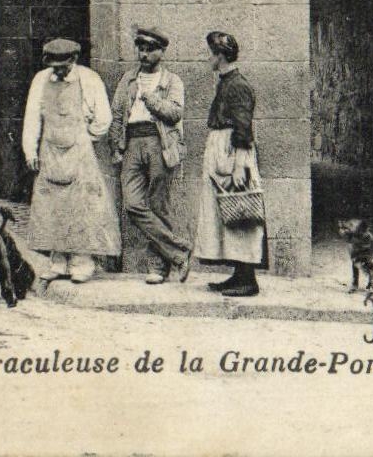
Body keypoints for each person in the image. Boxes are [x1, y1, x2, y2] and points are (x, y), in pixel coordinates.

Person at [21, 37, 121, 282]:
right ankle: (58, 261)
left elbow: (104, 117)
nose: (58, 71)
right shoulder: (41, 80)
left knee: (82, 207)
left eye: (63, 66)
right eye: (54, 67)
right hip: (50, 153)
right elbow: (32, 116)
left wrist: (86, 138)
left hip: (79, 154)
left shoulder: (89, 79)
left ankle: (82, 262)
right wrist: (30, 151)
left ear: (74, 59)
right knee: (52, 208)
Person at [110, 26, 191, 285]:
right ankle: (179, 251)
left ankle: (158, 267)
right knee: (132, 204)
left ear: (161, 52)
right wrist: (117, 147)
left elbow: (174, 113)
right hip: (132, 142)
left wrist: (150, 99)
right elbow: (117, 114)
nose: (143, 54)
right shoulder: (128, 79)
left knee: (158, 204)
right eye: (140, 49)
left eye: (149, 50)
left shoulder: (172, 81)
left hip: (160, 142)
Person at [193, 31, 267, 298]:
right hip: (222, 149)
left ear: (220, 56)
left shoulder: (238, 85)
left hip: (233, 151)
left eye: (211, 54)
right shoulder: (226, 82)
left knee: (240, 213)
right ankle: (239, 275)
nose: (208, 59)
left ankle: (248, 280)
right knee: (226, 214)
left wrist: (239, 167)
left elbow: (243, 128)